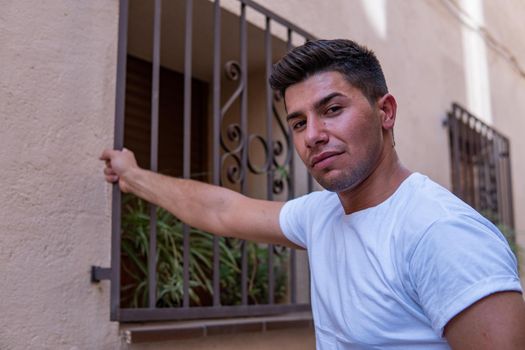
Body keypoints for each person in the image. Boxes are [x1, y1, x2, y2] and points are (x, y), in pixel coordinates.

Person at [101, 39, 525, 349]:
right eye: (299, 122)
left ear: (386, 112)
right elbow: (222, 210)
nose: (314, 136)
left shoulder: (439, 232)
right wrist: (133, 176)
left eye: (332, 110)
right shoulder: (321, 215)